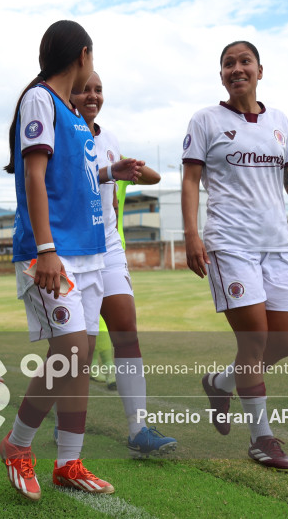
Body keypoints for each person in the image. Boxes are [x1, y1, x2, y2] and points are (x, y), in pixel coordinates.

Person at [0, 20, 142, 501]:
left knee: (76, 361)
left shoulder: (71, 112)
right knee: (73, 353)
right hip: (53, 254)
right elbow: (34, 178)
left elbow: (70, 176)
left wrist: (107, 171)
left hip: (89, 253)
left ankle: (68, 462)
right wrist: (46, 251)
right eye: (93, 60)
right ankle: (17, 446)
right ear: (83, 55)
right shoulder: (39, 99)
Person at [181, 40, 288, 473]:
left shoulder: (280, 122)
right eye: (228, 64)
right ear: (221, 74)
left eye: (245, 62)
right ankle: (262, 439)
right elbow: (190, 180)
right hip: (229, 245)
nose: (236, 68)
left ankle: (219, 382)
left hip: (277, 246)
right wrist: (192, 235)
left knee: (284, 342)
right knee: (254, 341)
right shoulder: (205, 120)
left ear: (261, 70)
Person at [69, 71, 177, 457]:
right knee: (77, 349)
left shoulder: (109, 138)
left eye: (98, 89)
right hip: (75, 248)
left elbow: (147, 177)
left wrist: (127, 166)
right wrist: (106, 172)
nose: (92, 95)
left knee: (126, 330)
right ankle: (61, 424)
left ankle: (138, 428)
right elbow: (61, 184)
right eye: (84, 89)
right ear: (70, 93)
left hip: (109, 245)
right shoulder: (63, 133)